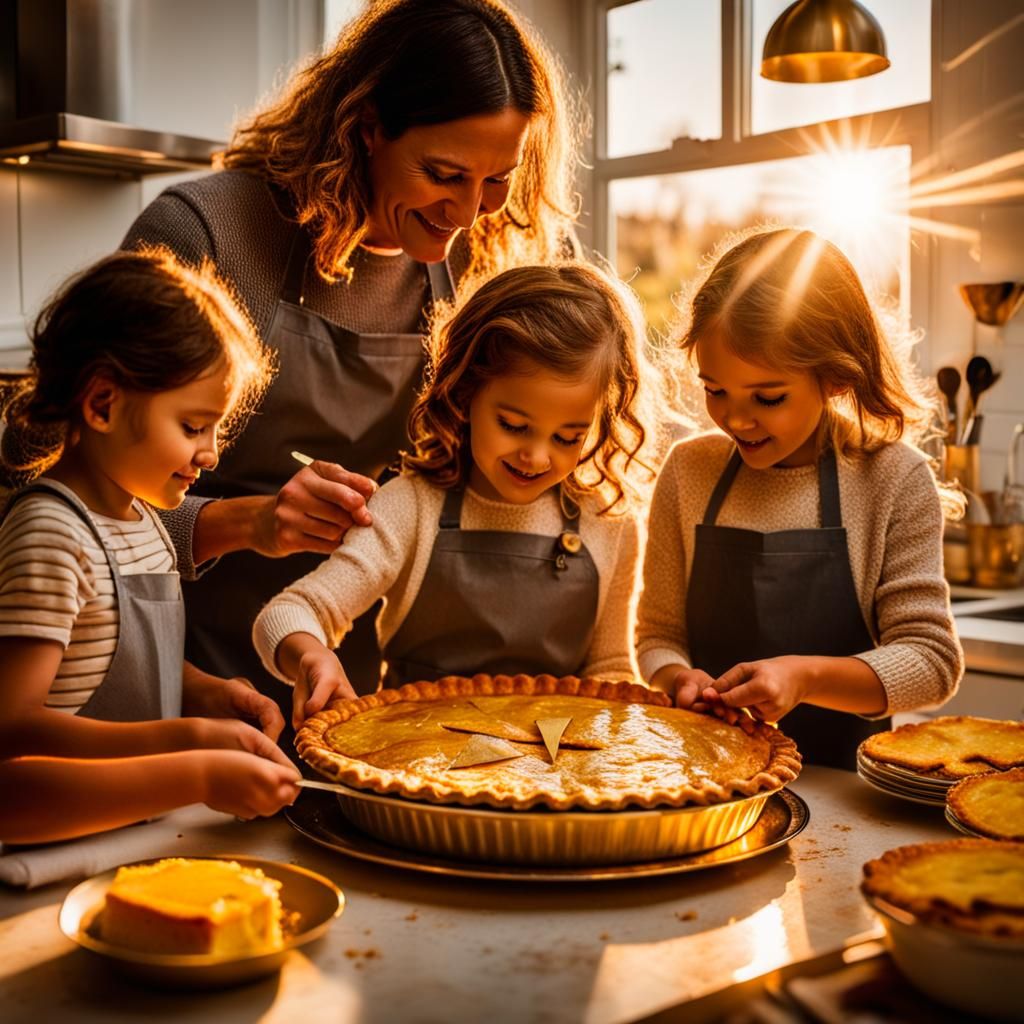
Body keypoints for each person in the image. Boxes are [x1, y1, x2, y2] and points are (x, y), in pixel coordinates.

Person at [120, 0, 583, 704]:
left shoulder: (495, 259)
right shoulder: (208, 236)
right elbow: (62, 494)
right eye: (443, 173)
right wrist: (246, 522)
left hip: (370, 685)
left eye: (497, 180)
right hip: (177, 671)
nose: (467, 213)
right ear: (364, 128)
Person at [252, 263, 654, 728]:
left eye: (568, 437)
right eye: (514, 426)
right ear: (465, 394)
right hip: (412, 765)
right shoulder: (411, 507)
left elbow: (610, 668)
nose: (537, 456)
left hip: (556, 780)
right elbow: (286, 613)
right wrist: (311, 657)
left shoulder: (608, 520)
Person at [636, 228, 964, 771]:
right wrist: (677, 677)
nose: (736, 419)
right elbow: (658, 635)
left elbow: (931, 661)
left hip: (848, 790)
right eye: (715, 389)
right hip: (707, 782)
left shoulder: (891, 478)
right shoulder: (689, 471)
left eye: (768, 397)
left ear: (835, 377)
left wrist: (804, 677)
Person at [0, 249, 299, 840]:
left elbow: (100, 662)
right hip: (54, 852)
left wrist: (207, 694)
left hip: (137, 834)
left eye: (216, 427)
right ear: (103, 404)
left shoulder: (141, 518)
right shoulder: (52, 535)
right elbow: (11, 729)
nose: (210, 453)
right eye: (192, 427)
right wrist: (189, 751)